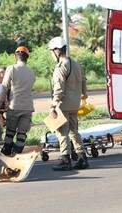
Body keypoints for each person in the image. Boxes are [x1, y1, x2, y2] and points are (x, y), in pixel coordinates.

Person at [48, 36, 89, 171]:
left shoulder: (61, 66)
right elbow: (84, 82)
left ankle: (65, 159)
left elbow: (58, 88)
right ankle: (82, 157)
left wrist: (54, 105)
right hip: (75, 104)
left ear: (57, 50)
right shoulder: (76, 64)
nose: (51, 54)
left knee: (62, 132)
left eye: (52, 51)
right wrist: (83, 94)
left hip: (63, 105)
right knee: (74, 131)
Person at [0, 46, 35, 156]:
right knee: (22, 135)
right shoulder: (31, 72)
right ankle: (16, 156)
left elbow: (4, 88)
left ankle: (7, 156)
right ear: (27, 58)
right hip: (28, 107)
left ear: (15, 56)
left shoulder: (12, 68)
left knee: (10, 133)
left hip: (14, 106)